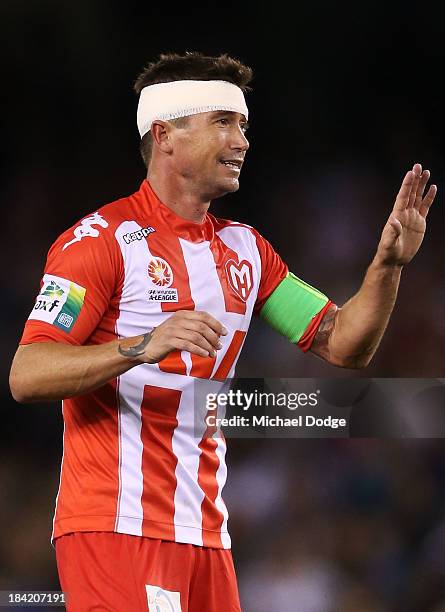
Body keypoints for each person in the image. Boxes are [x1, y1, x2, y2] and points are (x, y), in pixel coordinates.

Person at [9, 52, 437, 612]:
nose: (242, 140)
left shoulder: (245, 250)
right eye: (223, 122)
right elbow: (27, 372)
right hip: (117, 527)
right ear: (165, 135)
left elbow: (343, 342)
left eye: (244, 126)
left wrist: (387, 267)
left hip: (208, 539)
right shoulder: (97, 242)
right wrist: (142, 346)